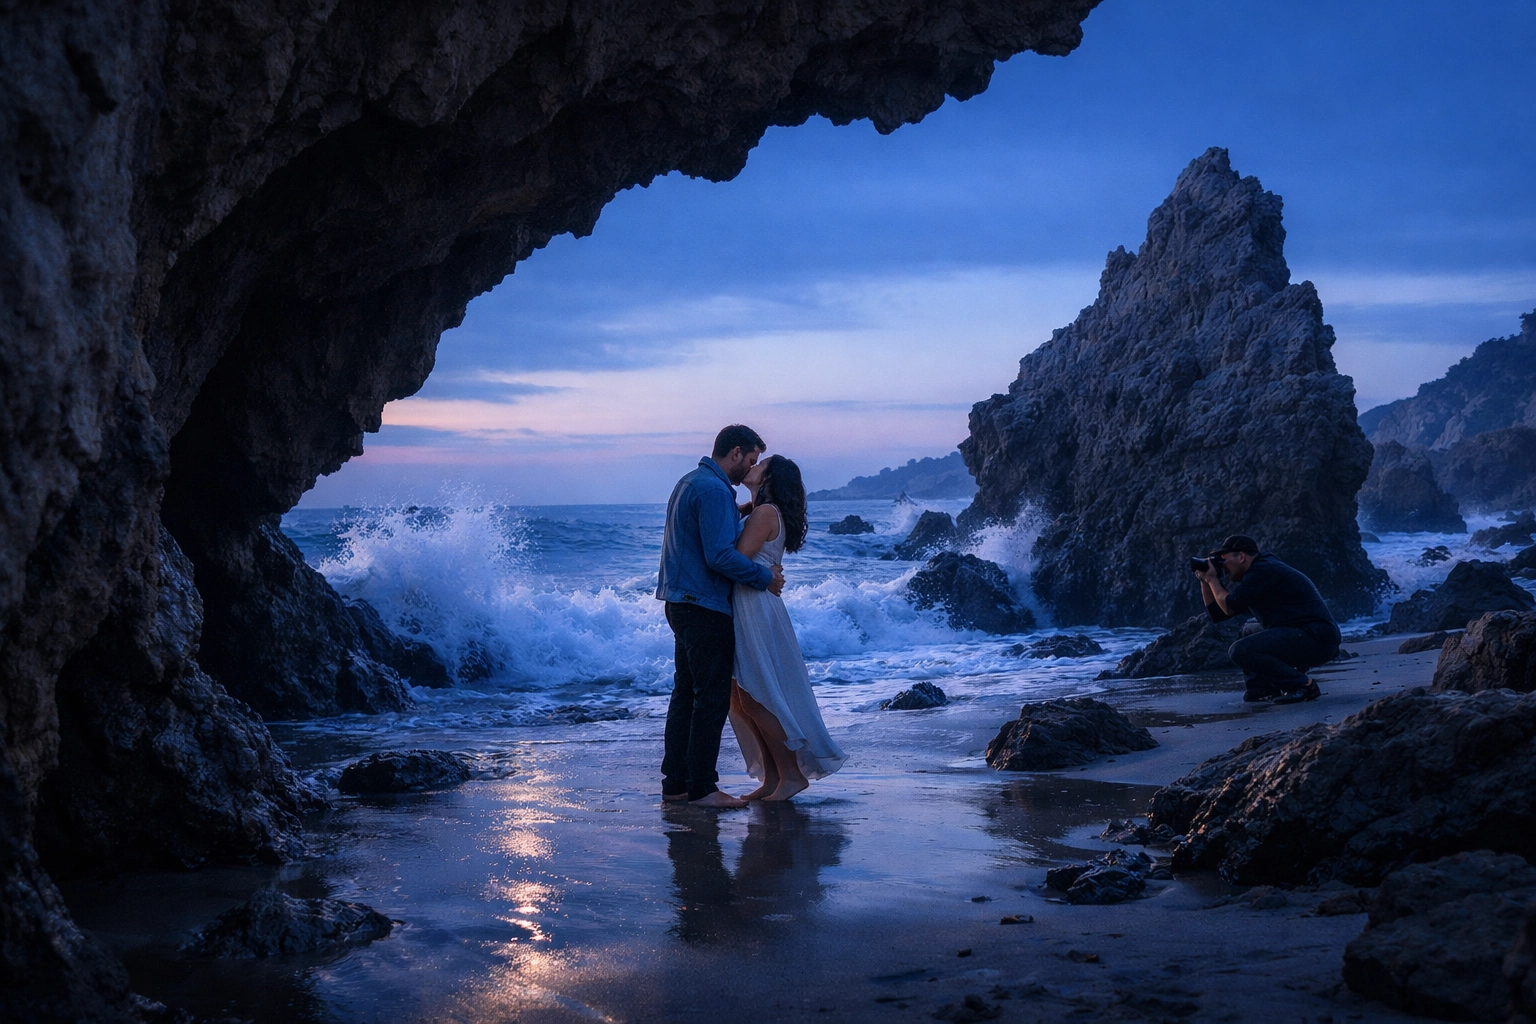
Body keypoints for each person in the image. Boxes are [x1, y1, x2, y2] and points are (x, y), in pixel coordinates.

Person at [657, 425, 784, 808]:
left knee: (684, 697)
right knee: (709, 699)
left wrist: (743, 511)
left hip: (681, 601)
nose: (752, 466)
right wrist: (765, 578)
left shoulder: (691, 482)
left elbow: (708, 535)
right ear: (735, 452)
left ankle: (676, 785)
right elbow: (719, 556)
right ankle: (703, 789)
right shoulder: (713, 490)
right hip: (704, 604)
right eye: (751, 458)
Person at [727, 455, 847, 801]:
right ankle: (773, 777)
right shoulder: (760, 510)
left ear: (770, 477)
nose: (753, 465)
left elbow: (736, 559)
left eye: (760, 463)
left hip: (754, 605)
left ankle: (792, 775)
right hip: (751, 604)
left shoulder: (765, 513)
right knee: (741, 697)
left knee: (755, 695)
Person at [1195, 534, 1340, 704]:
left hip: (1317, 639)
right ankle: (1261, 689)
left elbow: (1229, 605)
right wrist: (1205, 581)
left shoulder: (1263, 570)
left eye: (1224, 560)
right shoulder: (1259, 570)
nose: (1223, 567)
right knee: (1247, 631)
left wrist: (1212, 579)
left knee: (1240, 650)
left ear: (1241, 556)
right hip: (1306, 634)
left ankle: (1303, 685)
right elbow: (1220, 614)